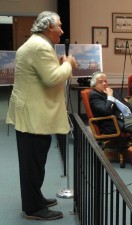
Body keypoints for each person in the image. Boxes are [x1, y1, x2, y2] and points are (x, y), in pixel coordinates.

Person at [6, 11, 77, 220]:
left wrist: (61, 63)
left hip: (31, 113)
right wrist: (68, 64)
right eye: (60, 26)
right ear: (48, 28)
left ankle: (35, 198)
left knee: (33, 163)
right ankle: (33, 208)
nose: (62, 30)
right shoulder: (40, 46)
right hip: (34, 116)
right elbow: (52, 78)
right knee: (33, 164)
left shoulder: (36, 44)